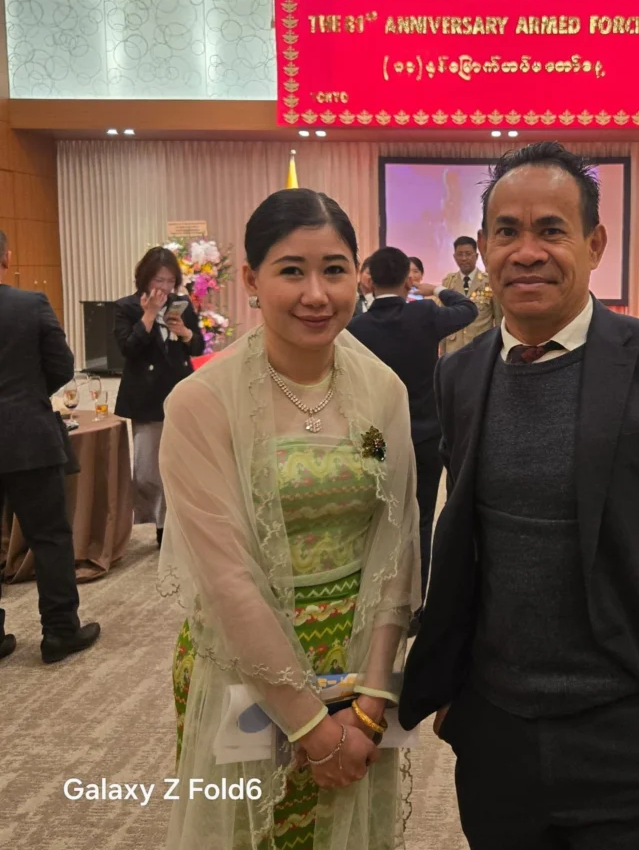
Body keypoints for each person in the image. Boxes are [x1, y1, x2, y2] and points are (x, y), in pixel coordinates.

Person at [399, 142, 639, 850]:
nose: (526, 251)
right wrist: (454, 700)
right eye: (507, 230)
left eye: (551, 230)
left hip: (637, 729)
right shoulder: (462, 375)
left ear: (594, 243)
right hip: (496, 732)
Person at [159, 190, 419, 849]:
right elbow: (226, 579)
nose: (316, 293)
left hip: (357, 659)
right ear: (249, 278)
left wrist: (373, 698)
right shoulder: (201, 403)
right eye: (290, 270)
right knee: (259, 832)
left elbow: (396, 546)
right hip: (246, 663)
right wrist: (309, 724)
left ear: (357, 275)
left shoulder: (382, 389)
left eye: (334, 269)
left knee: (345, 829)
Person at [348, 246, 477, 603]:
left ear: (369, 280)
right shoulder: (424, 314)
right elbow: (469, 309)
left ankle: (375, 594)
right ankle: (415, 600)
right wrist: (436, 290)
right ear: (409, 278)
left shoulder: (356, 327)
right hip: (425, 432)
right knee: (421, 518)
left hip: (374, 437)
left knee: (376, 515)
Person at [0, 229, 100, 663]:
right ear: (5, 256)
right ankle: (59, 632)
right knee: (50, 537)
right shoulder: (29, 305)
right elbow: (62, 365)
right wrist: (23, 396)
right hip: (28, 437)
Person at [113, 247, 205, 547]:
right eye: (157, 280)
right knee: (146, 470)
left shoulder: (181, 304)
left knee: (177, 463)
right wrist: (149, 315)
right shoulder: (127, 307)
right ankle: (152, 515)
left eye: (169, 280)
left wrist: (185, 333)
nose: (163, 288)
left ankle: (167, 527)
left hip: (179, 390)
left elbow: (198, 347)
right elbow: (128, 349)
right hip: (146, 395)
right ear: (144, 279)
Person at [440, 236, 502, 354]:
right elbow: (443, 320)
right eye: (460, 254)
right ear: (454, 257)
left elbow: (499, 319)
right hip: (454, 350)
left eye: (468, 254)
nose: (464, 258)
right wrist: (442, 353)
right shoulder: (448, 282)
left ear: (476, 256)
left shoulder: (489, 281)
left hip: (482, 349)